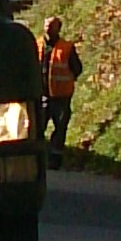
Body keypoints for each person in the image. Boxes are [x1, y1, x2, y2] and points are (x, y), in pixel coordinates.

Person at [38, 12, 82, 161]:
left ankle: (55, 160)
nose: (48, 28)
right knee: (36, 129)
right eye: (47, 25)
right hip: (40, 96)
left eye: (52, 25)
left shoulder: (66, 48)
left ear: (59, 28)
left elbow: (77, 68)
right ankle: (38, 158)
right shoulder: (36, 45)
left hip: (61, 97)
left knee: (60, 129)